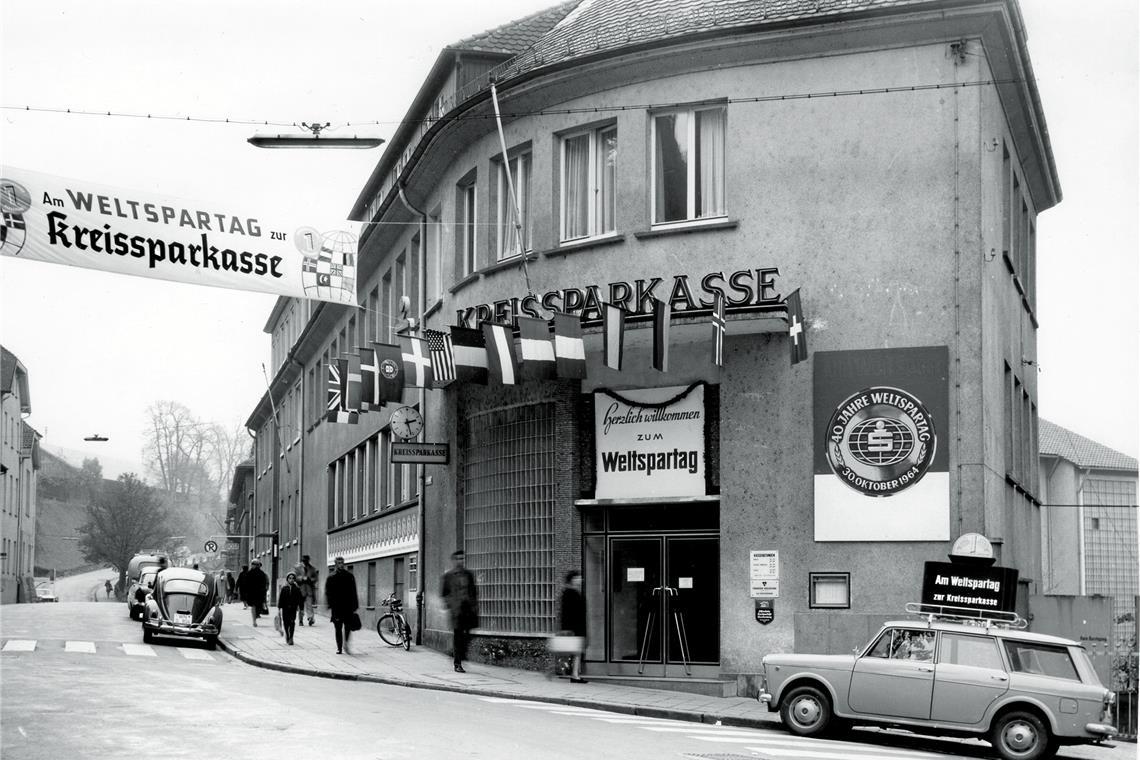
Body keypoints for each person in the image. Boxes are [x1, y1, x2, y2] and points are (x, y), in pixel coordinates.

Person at [440, 549, 478, 673]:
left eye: (462, 559)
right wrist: (450, 605)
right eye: (458, 559)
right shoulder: (448, 576)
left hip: (468, 610)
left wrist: (474, 605)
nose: (461, 561)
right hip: (456, 611)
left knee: (468, 635)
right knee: (458, 636)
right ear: (454, 561)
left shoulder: (469, 574)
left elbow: (473, 591)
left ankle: (457, 653)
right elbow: (444, 593)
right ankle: (458, 664)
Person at [324, 557, 359, 654]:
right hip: (337, 607)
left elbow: (353, 591)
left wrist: (355, 605)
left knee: (348, 626)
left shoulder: (349, 576)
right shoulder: (331, 577)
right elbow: (328, 592)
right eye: (339, 563)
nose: (341, 564)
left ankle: (346, 643)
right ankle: (339, 647)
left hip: (348, 606)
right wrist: (330, 604)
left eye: (342, 562)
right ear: (335, 564)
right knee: (338, 628)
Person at [559, 570, 587, 683]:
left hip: (576, 627)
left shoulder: (574, 592)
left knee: (576, 652)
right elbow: (567, 613)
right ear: (572, 579)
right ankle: (574, 675)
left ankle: (575, 674)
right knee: (576, 652)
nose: (581, 580)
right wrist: (567, 628)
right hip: (574, 628)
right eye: (578, 578)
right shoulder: (569, 593)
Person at [278, 572, 305, 645]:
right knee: (286, 623)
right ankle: (287, 634)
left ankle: (291, 637)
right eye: (290, 578)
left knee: (292, 622)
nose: (291, 580)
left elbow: (300, 600)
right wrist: (279, 608)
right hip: (285, 609)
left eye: (293, 578)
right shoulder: (284, 588)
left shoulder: (297, 589)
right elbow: (281, 599)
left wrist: (301, 609)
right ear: (287, 579)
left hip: (293, 609)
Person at [293, 554, 319, 626]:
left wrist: (310, 579)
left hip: (309, 589)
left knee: (309, 605)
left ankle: (310, 618)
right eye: (304, 561)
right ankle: (300, 620)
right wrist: (301, 578)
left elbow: (316, 578)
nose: (305, 562)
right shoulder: (297, 568)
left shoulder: (312, 568)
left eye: (306, 561)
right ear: (302, 561)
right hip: (300, 589)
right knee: (301, 606)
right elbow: (294, 577)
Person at [243, 559, 269, 626]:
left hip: (255, 593)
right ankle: (254, 620)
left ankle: (254, 619)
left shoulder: (251, 573)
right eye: (253, 564)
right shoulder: (261, 573)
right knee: (254, 606)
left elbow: (246, 584)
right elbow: (246, 584)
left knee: (255, 606)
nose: (252, 565)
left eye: (254, 564)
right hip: (255, 593)